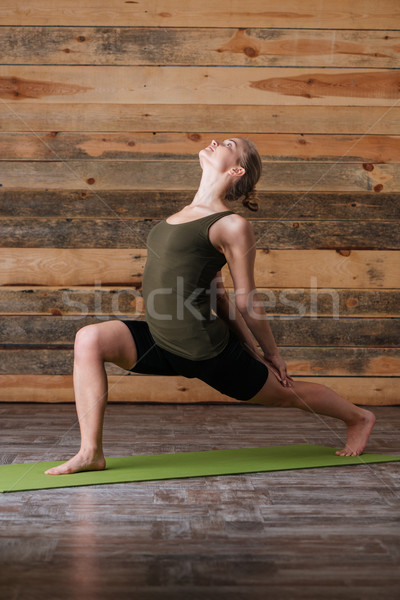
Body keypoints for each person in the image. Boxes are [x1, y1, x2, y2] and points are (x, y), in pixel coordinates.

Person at [45, 137, 375, 475]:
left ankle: (358, 417)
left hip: (202, 347)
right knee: (89, 338)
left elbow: (244, 298)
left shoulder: (232, 225)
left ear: (236, 169)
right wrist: (250, 348)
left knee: (286, 394)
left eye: (228, 143)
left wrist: (270, 353)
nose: (215, 141)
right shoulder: (179, 217)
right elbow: (218, 295)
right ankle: (91, 452)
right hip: (161, 339)